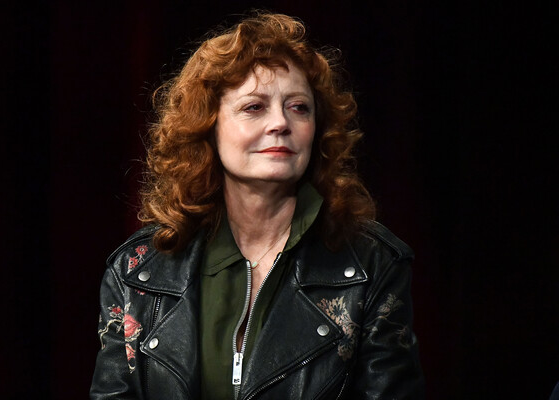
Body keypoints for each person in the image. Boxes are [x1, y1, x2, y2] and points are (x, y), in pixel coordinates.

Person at [90, 12, 424, 400]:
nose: (280, 123)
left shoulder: (373, 264)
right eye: (254, 107)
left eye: (299, 107)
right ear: (208, 126)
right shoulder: (136, 271)